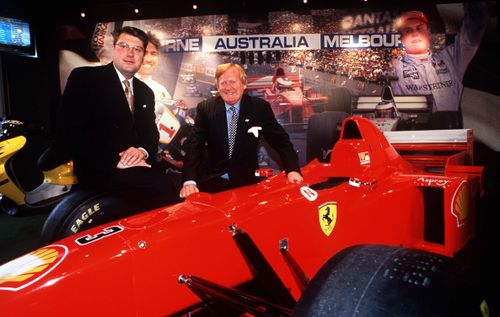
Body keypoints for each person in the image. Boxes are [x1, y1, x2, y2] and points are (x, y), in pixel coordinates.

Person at [57, 26, 180, 209]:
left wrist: (142, 152)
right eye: (124, 46)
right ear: (114, 48)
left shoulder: (145, 92)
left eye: (137, 49)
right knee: (162, 187)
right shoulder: (85, 78)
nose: (130, 53)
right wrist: (118, 162)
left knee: (174, 182)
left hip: (138, 166)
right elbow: (69, 131)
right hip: (100, 169)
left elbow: (151, 134)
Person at [180, 63, 303, 198]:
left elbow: (281, 141)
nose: (228, 87)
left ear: (244, 84)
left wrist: (292, 170)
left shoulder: (259, 108)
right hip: (211, 184)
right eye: (223, 83)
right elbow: (194, 146)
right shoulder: (206, 108)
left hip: (247, 185)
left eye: (232, 82)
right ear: (218, 86)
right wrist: (189, 181)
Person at [390, 2, 488, 128]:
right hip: (413, 140)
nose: (415, 33)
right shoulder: (395, 68)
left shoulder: (451, 59)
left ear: (429, 33)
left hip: (452, 139)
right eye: (408, 30)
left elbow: (473, 32)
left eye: (419, 28)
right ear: (401, 39)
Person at [135, 31, 172, 124]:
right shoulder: (123, 84)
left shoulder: (161, 90)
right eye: (144, 53)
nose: (148, 59)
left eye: (153, 53)